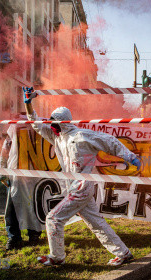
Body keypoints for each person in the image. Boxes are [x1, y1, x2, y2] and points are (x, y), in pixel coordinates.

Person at [23, 87, 141, 266]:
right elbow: (36, 124)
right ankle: (123, 253)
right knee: (96, 223)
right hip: (75, 187)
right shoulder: (58, 137)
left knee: (53, 218)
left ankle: (57, 257)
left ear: (63, 122)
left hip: (81, 187)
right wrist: (29, 104)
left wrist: (129, 156)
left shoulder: (82, 135)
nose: (51, 125)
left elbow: (109, 141)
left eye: (54, 121)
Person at [0, 114, 43, 250]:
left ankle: (33, 235)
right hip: (16, 176)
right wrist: (2, 173)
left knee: (34, 207)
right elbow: (4, 153)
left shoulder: (38, 131)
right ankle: (13, 237)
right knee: (12, 209)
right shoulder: (13, 132)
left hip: (35, 177)